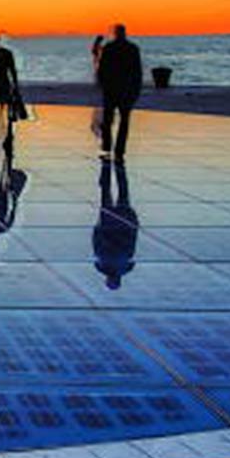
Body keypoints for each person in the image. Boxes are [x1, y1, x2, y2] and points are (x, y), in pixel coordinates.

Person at [97, 24, 143, 163]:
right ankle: (119, 151)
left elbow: (102, 70)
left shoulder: (109, 48)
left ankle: (107, 149)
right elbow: (137, 72)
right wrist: (136, 89)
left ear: (115, 33)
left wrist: (103, 85)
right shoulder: (132, 49)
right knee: (123, 121)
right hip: (125, 90)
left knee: (108, 121)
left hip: (112, 89)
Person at [93, 160, 139, 288]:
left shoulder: (125, 266)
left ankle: (114, 168)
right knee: (107, 191)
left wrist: (133, 224)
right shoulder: (101, 265)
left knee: (121, 190)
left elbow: (131, 244)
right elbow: (97, 242)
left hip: (121, 223)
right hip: (110, 223)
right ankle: (107, 167)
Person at [0, 42, 22, 146]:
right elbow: (12, 70)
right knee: (9, 107)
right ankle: (8, 133)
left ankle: (0, 131)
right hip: (5, 82)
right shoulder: (8, 53)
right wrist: (15, 84)